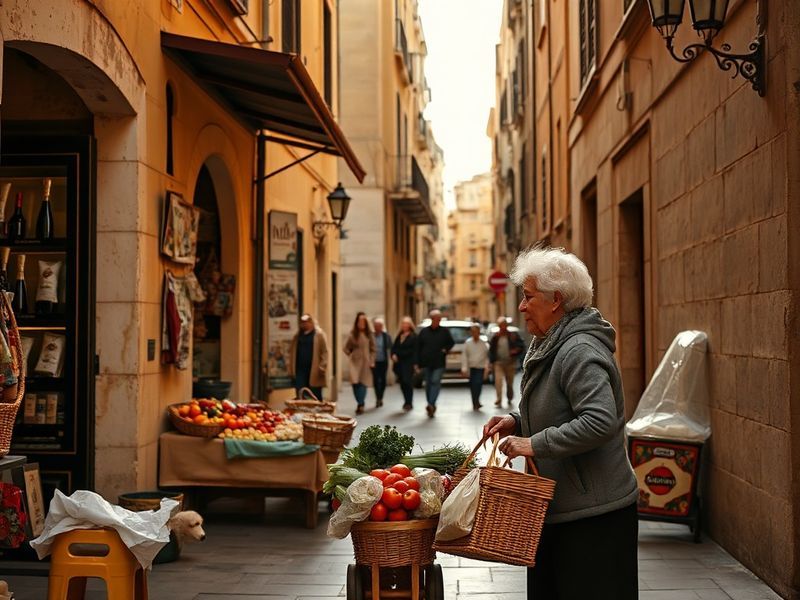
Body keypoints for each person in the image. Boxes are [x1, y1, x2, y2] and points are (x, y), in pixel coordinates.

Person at [483, 246, 639, 600]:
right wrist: (516, 422)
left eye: (528, 297)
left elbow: (599, 421)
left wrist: (533, 444)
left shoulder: (579, 349)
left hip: (594, 517)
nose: (522, 307)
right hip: (562, 509)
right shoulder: (551, 344)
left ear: (556, 300)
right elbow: (560, 410)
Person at [416, 309, 454, 417]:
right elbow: (418, 347)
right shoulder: (424, 332)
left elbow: (451, 343)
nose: (438, 321)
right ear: (432, 319)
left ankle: (431, 404)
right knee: (428, 384)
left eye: (439, 319)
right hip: (426, 362)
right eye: (436, 319)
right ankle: (430, 403)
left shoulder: (444, 331)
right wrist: (417, 363)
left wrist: (445, 350)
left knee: (435, 381)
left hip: (439, 362)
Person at [288, 313, 328, 401]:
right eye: (303, 322)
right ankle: (303, 411)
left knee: (315, 394)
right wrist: (291, 369)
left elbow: (325, 352)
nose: (305, 324)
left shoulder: (319, 335)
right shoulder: (297, 336)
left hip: (314, 370)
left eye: (307, 322)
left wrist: (322, 366)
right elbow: (292, 352)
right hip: (300, 370)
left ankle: (316, 413)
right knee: (301, 392)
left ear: (312, 322)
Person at [344, 311, 376, 415]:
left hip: (366, 362)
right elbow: (346, 348)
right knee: (355, 383)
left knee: (363, 383)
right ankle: (359, 401)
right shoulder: (353, 334)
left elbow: (373, 349)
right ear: (357, 322)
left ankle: (360, 404)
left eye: (363, 321)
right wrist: (350, 353)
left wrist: (372, 360)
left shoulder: (369, 334)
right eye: (360, 321)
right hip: (355, 361)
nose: (361, 323)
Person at [489, 316, 525, 408]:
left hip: (510, 362)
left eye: (504, 325)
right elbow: (491, 350)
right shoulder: (495, 337)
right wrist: (491, 361)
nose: (503, 327)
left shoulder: (513, 335)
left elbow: (521, 346)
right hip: (498, 363)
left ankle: (509, 396)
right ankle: (499, 399)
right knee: (498, 381)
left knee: (509, 382)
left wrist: (515, 350)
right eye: (501, 326)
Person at [391, 316, 418, 411]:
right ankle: (406, 400)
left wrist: (415, 364)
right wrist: (393, 354)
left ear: (410, 325)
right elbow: (394, 347)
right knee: (402, 383)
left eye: (406, 324)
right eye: (403, 324)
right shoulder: (399, 336)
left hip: (408, 363)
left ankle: (409, 402)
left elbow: (413, 351)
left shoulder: (413, 337)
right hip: (399, 364)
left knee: (408, 382)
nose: (405, 326)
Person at [460, 323, 490, 410]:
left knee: (479, 384)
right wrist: (464, 368)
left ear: (479, 332)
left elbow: (486, 356)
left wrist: (487, 368)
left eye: (476, 332)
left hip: (480, 368)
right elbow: (464, 356)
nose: (475, 333)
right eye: (473, 332)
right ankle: (475, 401)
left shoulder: (483, 343)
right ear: (471, 333)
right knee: (473, 385)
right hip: (472, 368)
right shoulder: (468, 343)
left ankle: (477, 401)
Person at [371, 317, 392, 407]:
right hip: (374, 361)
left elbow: (390, 347)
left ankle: (381, 397)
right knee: (375, 380)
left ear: (382, 327)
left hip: (383, 361)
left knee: (382, 380)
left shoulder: (386, 336)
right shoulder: (371, 336)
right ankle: (377, 398)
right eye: (376, 326)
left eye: (379, 326)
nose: (377, 328)